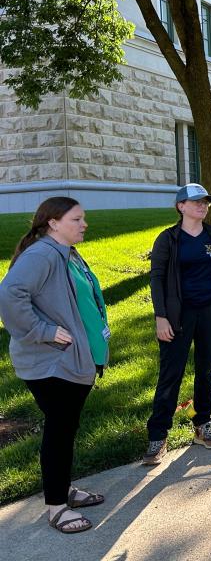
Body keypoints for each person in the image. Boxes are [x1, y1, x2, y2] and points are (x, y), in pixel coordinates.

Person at [0, 197, 109, 533]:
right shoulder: (42, 255)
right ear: (53, 223)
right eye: (77, 219)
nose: (84, 224)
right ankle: (57, 508)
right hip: (52, 364)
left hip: (72, 359)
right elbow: (9, 295)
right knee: (59, 433)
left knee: (66, 429)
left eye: (83, 218)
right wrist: (43, 331)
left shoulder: (67, 253)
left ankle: (62, 490)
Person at [142, 183, 211, 465]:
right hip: (178, 316)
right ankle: (158, 437)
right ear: (180, 206)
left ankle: (203, 425)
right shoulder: (168, 239)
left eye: (206, 202)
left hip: (210, 311)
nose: (203, 206)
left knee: (206, 370)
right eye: (196, 201)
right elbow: (157, 279)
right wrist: (160, 316)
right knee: (170, 374)